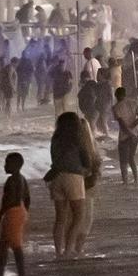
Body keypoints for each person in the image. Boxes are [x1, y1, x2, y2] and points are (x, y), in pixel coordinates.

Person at [46, 111, 96, 259]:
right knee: (78, 216)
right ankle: (68, 250)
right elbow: (86, 160)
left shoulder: (55, 139)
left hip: (56, 178)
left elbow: (54, 159)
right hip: (74, 178)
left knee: (60, 218)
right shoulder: (77, 139)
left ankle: (58, 252)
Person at [0, 152, 31, 276]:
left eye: (7, 163)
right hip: (20, 211)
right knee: (4, 243)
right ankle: (1, 271)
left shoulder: (11, 180)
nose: (4, 166)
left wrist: (0, 214)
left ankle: (21, 273)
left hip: (12, 212)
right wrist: (25, 212)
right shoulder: (23, 179)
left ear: (15, 165)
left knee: (15, 245)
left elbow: (9, 200)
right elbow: (27, 198)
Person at [112, 85, 138, 185]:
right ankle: (137, 179)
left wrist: (128, 132)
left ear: (116, 96)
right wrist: (132, 126)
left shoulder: (116, 107)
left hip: (124, 136)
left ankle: (125, 182)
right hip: (135, 134)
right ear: (125, 95)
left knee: (123, 160)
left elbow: (122, 124)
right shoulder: (134, 102)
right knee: (131, 157)